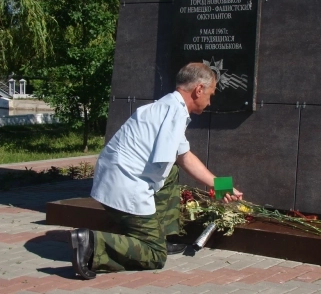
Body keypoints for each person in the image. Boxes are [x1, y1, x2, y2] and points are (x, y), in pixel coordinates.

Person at [68, 63, 243, 280]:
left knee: (170, 175)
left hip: (112, 178)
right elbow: (168, 159)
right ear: (198, 90)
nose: (210, 101)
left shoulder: (166, 106)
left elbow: (184, 156)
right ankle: (93, 244)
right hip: (125, 186)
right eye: (210, 94)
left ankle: (162, 236)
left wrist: (221, 185)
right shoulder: (174, 113)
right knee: (154, 254)